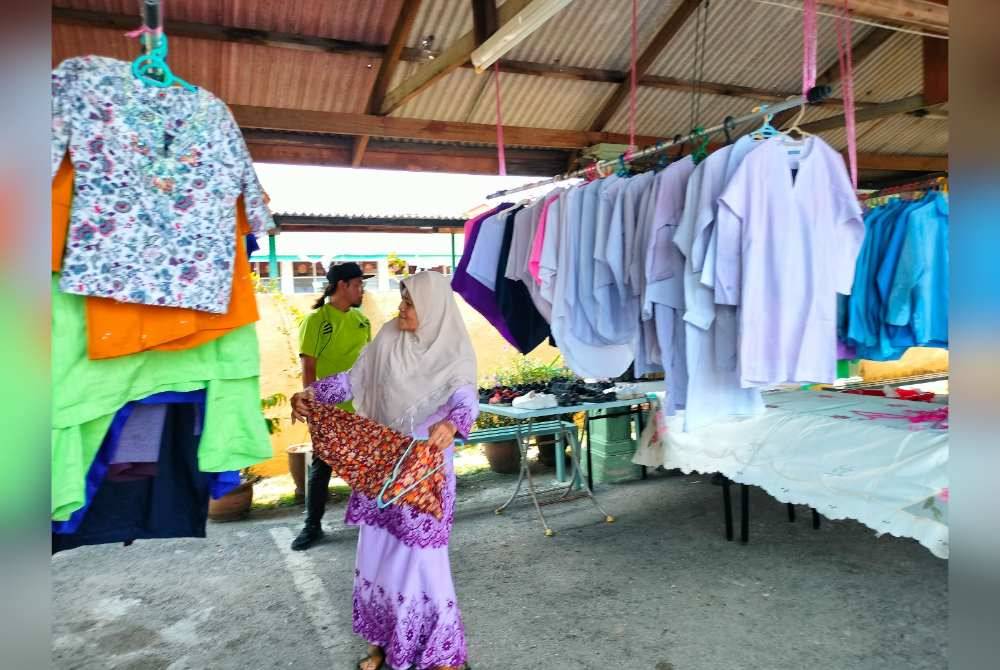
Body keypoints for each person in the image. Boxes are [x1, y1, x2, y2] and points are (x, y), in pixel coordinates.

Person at [291, 271, 477, 670]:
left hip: (424, 472)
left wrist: (453, 423)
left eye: (409, 302)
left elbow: (465, 397)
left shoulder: (452, 350)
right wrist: (311, 394)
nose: (401, 308)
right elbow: (352, 380)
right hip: (381, 461)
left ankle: (440, 653)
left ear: (432, 308)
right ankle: (383, 645)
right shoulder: (390, 336)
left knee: (421, 562)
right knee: (378, 555)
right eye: (402, 300)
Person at [291, 262, 372, 551]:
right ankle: (312, 526)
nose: (362, 289)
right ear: (342, 286)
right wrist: (315, 410)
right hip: (328, 409)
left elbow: (368, 364)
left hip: (360, 407)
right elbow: (308, 367)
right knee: (322, 466)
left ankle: (371, 520)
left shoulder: (362, 321)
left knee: (364, 466)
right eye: (358, 284)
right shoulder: (316, 321)